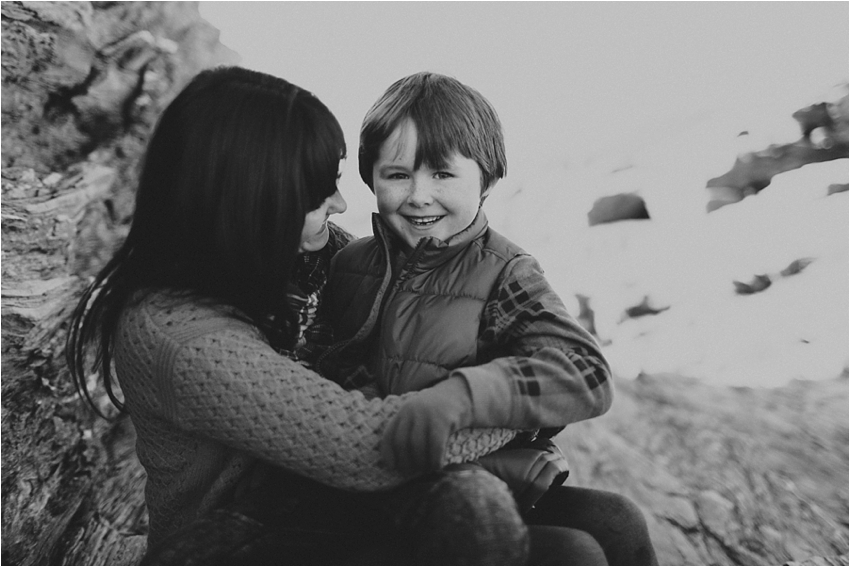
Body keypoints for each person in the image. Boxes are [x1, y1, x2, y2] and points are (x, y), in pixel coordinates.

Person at [63, 66, 557, 565]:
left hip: (338, 503)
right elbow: (363, 446)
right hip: (235, 541)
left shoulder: (315, 259)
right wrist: (525, 402)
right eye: (318, 190)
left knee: (603, 527)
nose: (341, 204)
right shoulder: (177, 335)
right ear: (253, 198)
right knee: (471, 506)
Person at [314, 71, 658, 565]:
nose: (418, 194)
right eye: (397, 174)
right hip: (377, 488)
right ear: (371, 178)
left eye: (442, 174)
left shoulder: (504, 273)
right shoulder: (349, 266)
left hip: (486, 478)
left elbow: (586, 372)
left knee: (618, 520)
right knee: (574, 555)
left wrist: (462, 396)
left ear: (488, 180)